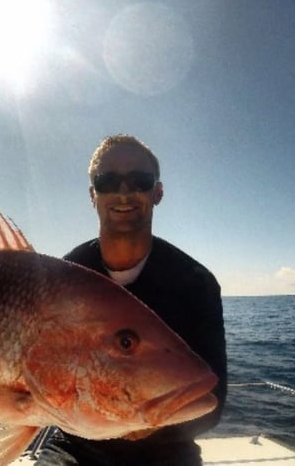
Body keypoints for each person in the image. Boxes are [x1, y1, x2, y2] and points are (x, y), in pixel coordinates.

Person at [36, 134, 227, 466]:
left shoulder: (196, 283)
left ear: (158, 192)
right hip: (78, 445)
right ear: (92, 195)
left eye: (139, 180)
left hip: (167, 449)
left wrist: (149, 428)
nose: (123, 192)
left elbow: (213, 402)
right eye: (107, 181)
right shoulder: (63, 277)